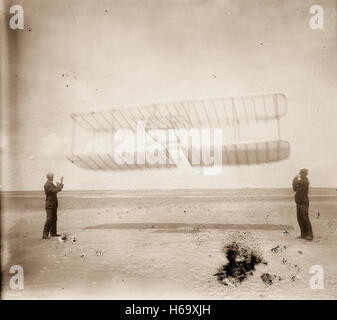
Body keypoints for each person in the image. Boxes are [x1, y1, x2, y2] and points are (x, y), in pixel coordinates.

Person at [292, 168, 313, 241]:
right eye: (301, 173)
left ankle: (310, 235)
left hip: (303, 202)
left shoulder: (305, 180)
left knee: (305, 218)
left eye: (302, 173)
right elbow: (294, 188)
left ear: (305, 174)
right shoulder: (299, 181)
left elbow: (299, 182)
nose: (301, 174)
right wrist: (294, 180)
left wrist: (295, 178)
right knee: (300, 219)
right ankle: (303, 234)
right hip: (299, 202)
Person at [42, 172, 64, 239]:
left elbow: (58, 189)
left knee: (54, 218)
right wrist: (60, 183)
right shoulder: (47, 185)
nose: (52, 178)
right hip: (49, 205)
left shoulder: (51, 184)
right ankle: (45, 234)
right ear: (48, 177)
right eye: (51, 177)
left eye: (52, 177)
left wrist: (60, 184)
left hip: (53, 204)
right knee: (49, 219)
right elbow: (55, 190)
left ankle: (53, 233)